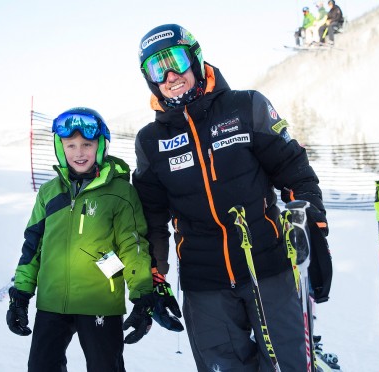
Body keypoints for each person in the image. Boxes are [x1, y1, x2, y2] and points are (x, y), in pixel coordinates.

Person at [133, 24, 332, 371]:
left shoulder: (246, 106)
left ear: (194, 59)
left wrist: (312, 222)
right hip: (204, 282)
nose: (169, 75)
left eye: (176, 60)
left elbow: (292, 167)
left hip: (268, 267)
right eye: (156, 68)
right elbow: (151, 217)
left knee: (289, 366)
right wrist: (154, 277)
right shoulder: (150, 141)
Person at [5, 107, 156, 372]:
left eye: (87, 144)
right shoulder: (49, 192)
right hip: (52, 302)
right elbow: (33, 246)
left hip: (100, 302)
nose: (79, 152)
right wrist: (20, 295)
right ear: (60, 146)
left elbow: (133, 246)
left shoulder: (120, 192)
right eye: (70, 144)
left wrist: (142, 297)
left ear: (101, 146)